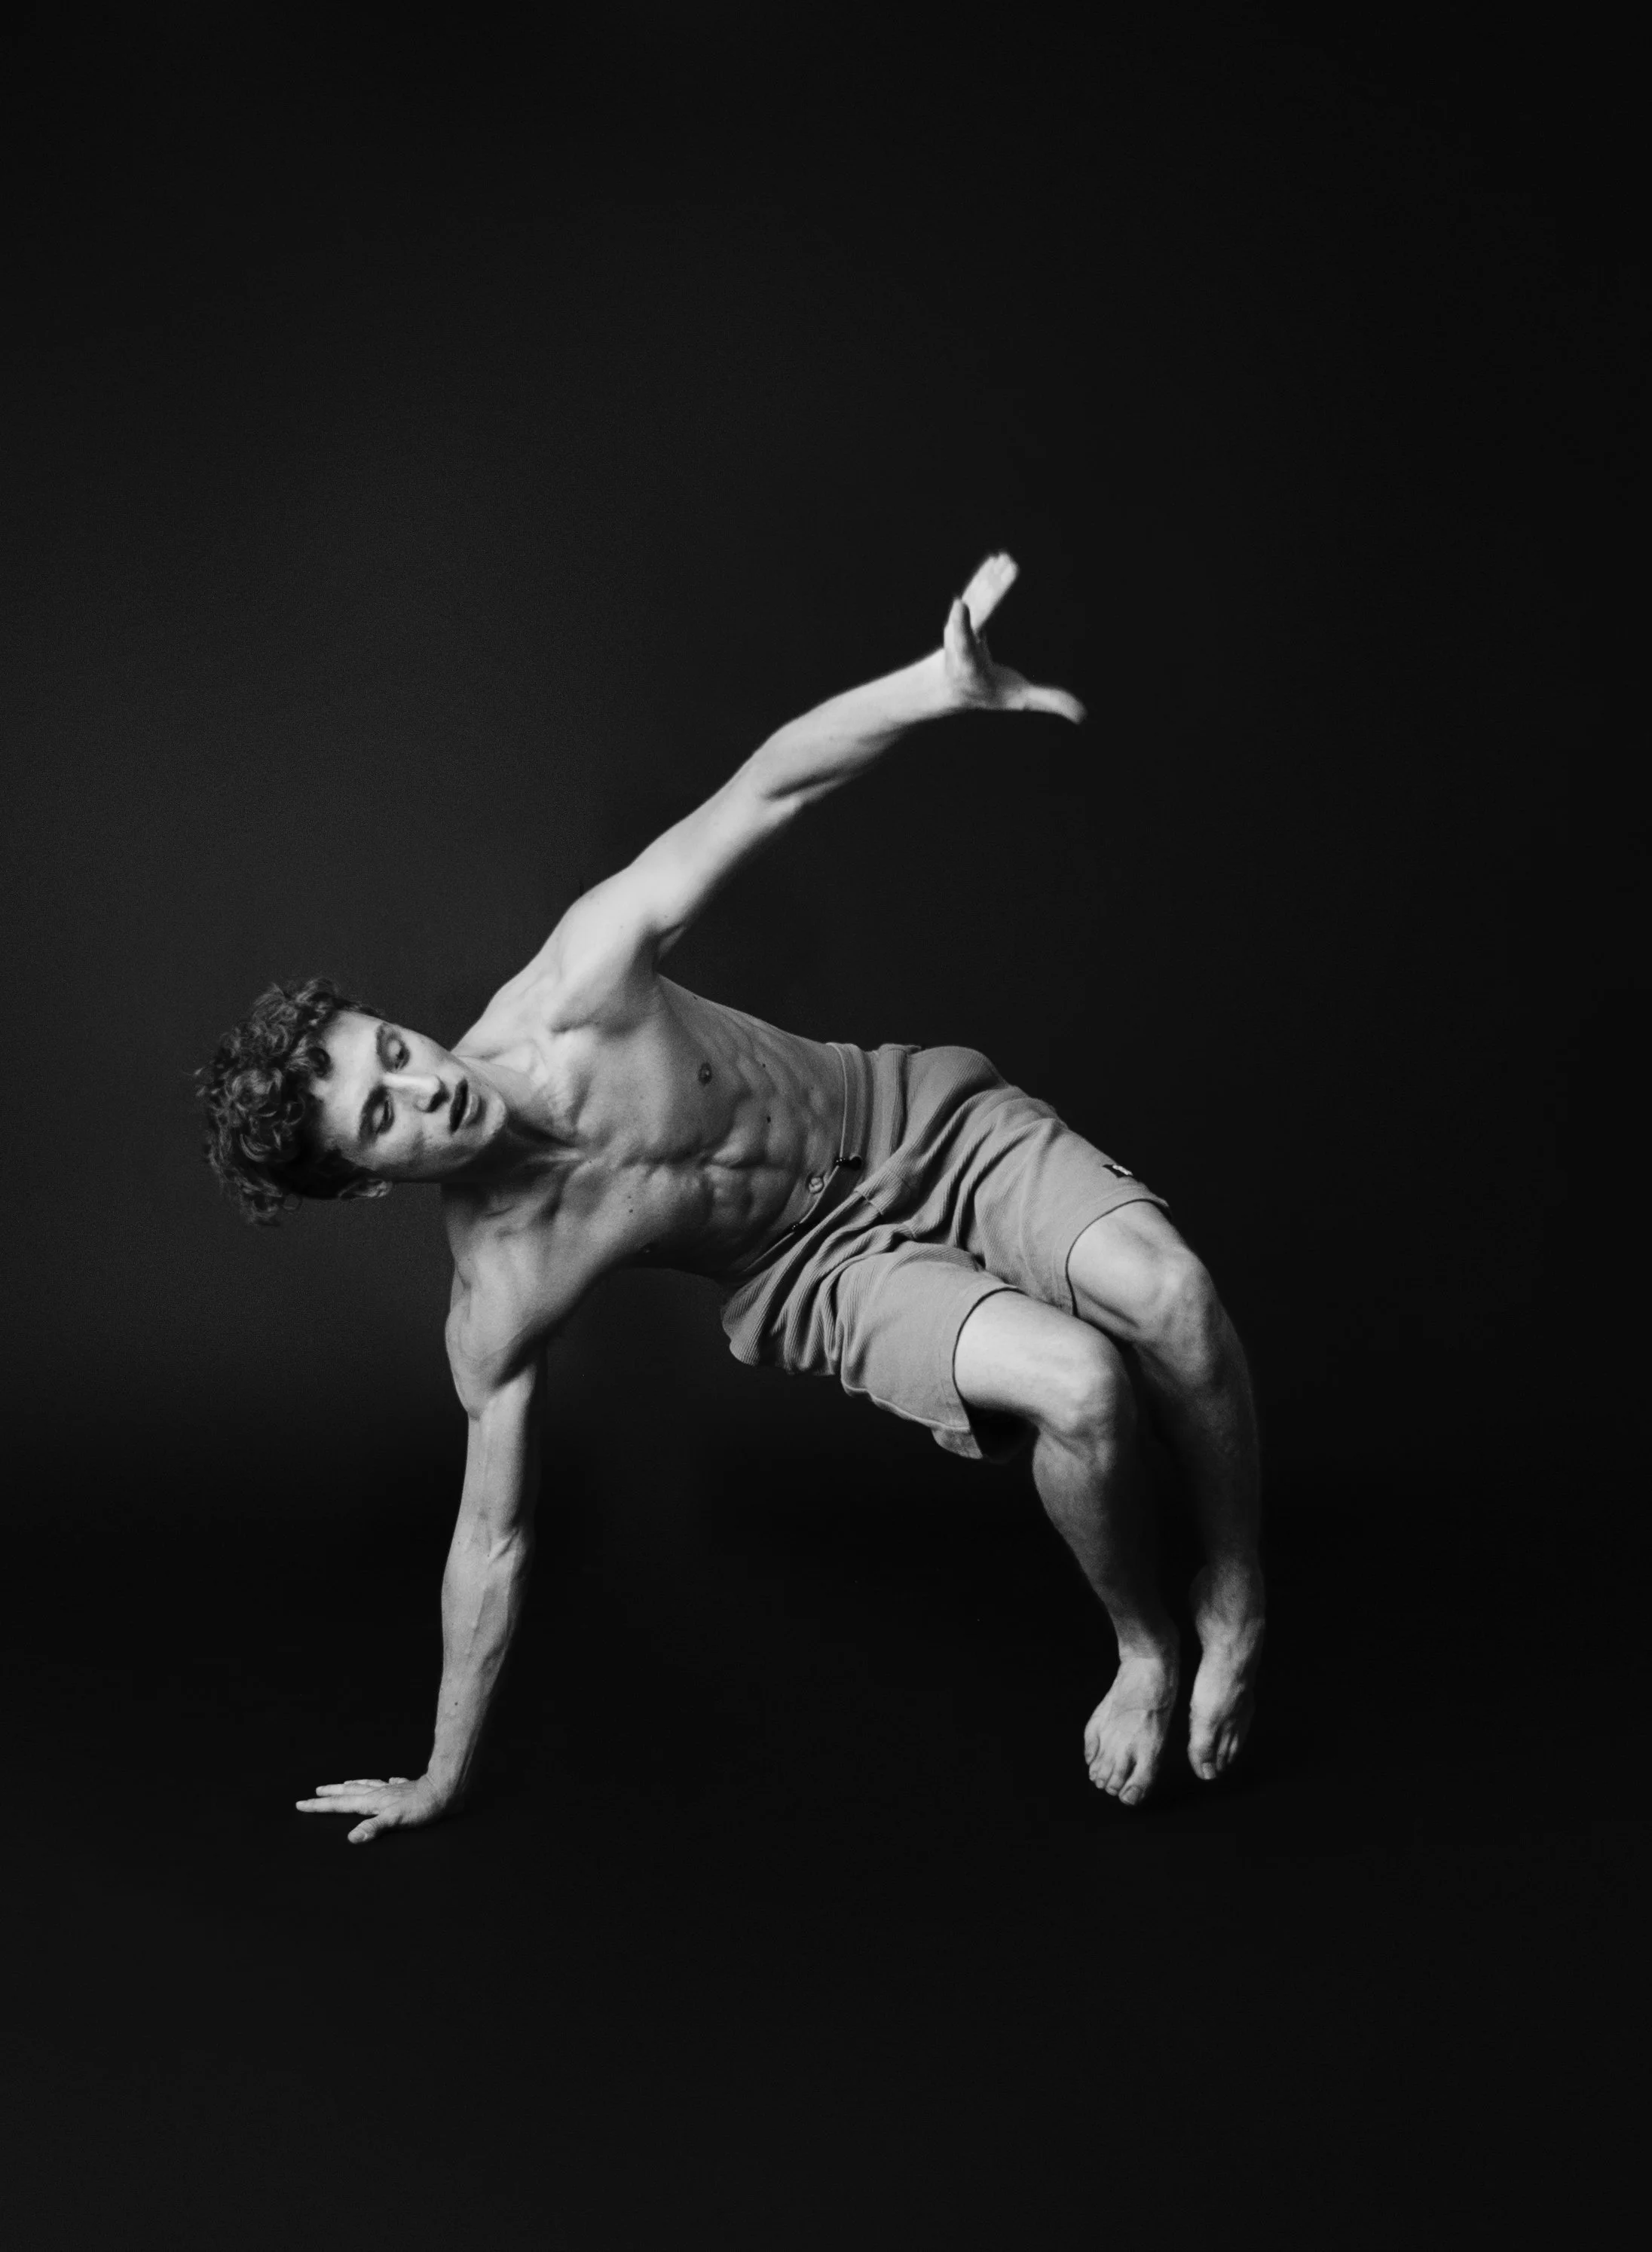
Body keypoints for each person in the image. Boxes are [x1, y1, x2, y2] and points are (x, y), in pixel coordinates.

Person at [199, 555, 1265, 1844]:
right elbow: (492, 1546)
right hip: (820, 1274)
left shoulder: (580, 987)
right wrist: (441, 1774)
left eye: (393, 1051)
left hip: (918, 1120)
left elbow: (769, 785)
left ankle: (1237, 1588)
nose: (421, 1089)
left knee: (1176, 1299)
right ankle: (1146, 1648)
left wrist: (934, 685)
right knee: (1085, 1387)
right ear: (369, 1178)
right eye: (381, 1118)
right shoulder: (501, 1291)